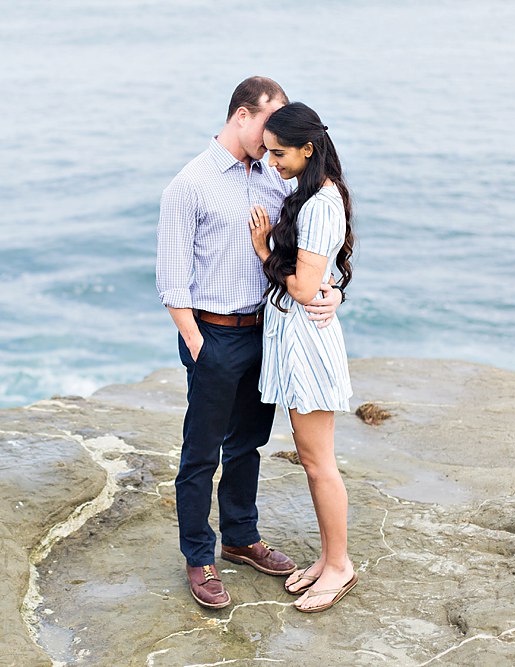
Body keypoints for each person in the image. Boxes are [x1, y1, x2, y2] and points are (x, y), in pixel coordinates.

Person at [156, 78, 343, 609]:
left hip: (266, 331)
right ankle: (200, 556)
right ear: (243, 116)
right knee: (201, 452)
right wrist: (196, 343)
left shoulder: (277, 176)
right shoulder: (188, 185)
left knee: (247, 444)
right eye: (269, 124)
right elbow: (172, 279)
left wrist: (332, 293)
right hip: (212, 335)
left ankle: (240, 536)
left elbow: (312, 251)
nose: (275, 136)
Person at [247, 101, 358, 613]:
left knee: (319, 464)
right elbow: (323, 279)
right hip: (301, 342)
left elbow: (305, 286)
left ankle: (339, 565)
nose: (272, 162)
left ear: (307, 148)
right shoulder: (319, 194)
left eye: (279, 154)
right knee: (315, 462)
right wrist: (330, 286)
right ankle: (329, 557)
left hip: (307, 347)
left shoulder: (317, 205)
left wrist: (264, 251)